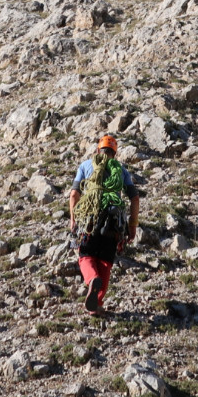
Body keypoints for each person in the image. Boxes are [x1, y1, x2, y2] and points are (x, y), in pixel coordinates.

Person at [69, 134, 140, 314]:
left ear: (97, 150)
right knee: (105, 262)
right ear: (114, 154)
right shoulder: (121, 171)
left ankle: (92, 279)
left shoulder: (86, 166)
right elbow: (135, 197)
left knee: (85, 255)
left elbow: (73, 194)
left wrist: (73, 219)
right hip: (114, 222)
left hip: (90, 218)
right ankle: (96, 304)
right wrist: (132, 226)